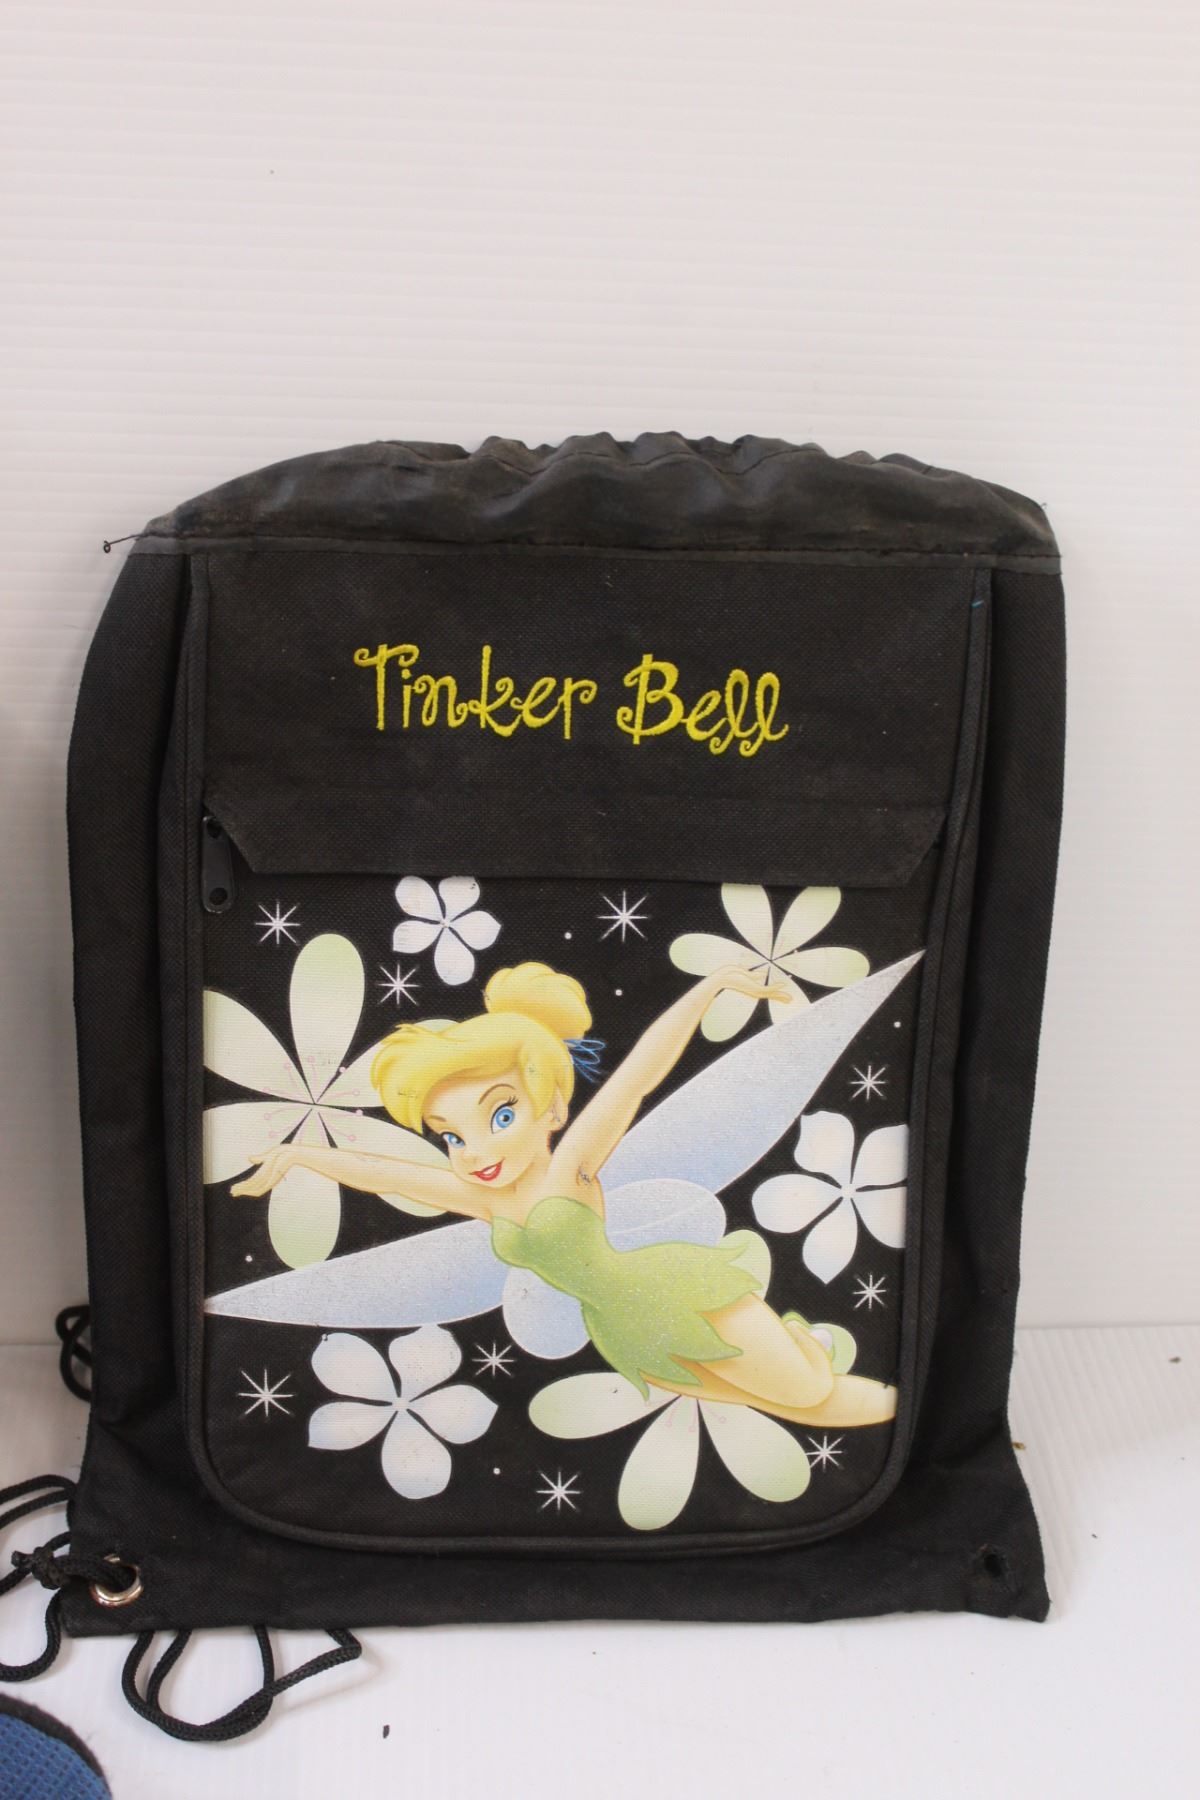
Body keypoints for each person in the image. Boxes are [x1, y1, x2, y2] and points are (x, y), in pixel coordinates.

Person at [233, 961, 896, 1428]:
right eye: (451, 1136)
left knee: (807, 1389)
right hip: (625, 1335)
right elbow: (382, 1174)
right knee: (780, 1404)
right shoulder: (484, 1199)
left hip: (681, 1296)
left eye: (500, 1115)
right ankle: (875, 1399)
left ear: (550, 1108)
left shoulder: (570, 1169)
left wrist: (709, 988)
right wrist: (298, 1155)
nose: (476, 1152)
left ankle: (829, 1359)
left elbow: (637, 1077)